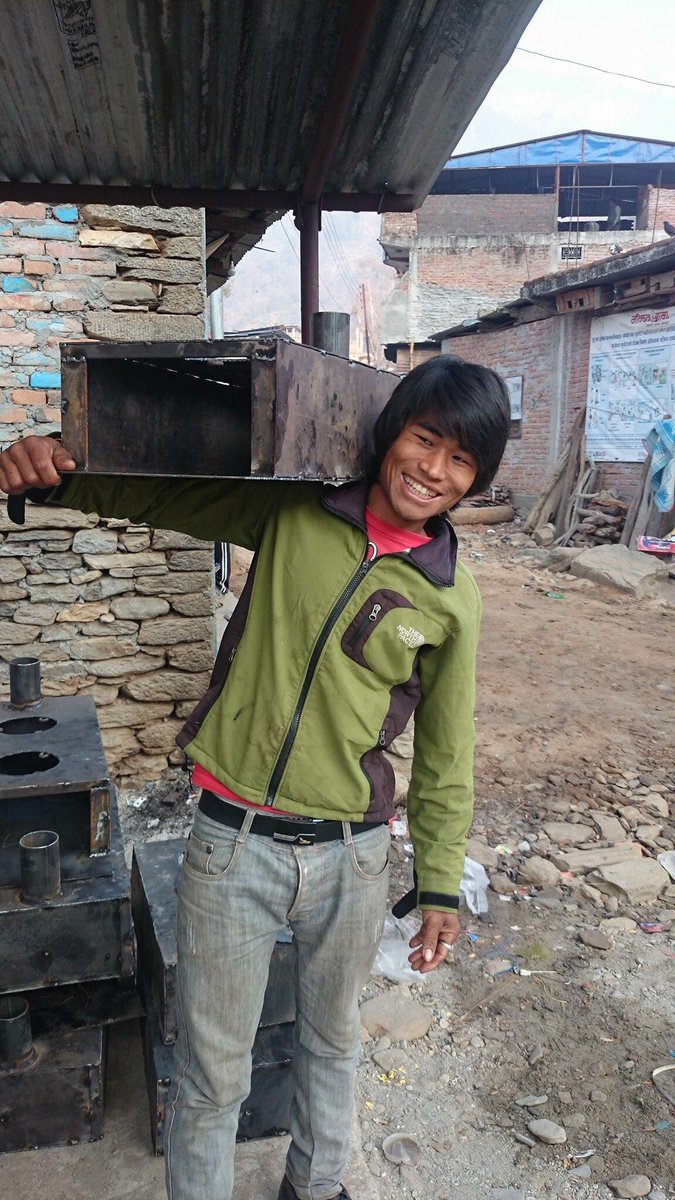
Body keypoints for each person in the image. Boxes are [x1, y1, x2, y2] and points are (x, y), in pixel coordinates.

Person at [0, 355, 511, 1200]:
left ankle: (315, 1188)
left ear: (476, 478)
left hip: (351, 859)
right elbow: (159, 491)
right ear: (391, 437)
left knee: (333, 1045)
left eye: (461, 460)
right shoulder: (293, 514)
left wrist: (437, 890)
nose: (433, 470)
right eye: (424, 441)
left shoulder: (451, 599)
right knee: (210, 1071)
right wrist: (56, 470)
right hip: (231, 848)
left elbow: (448, 755)